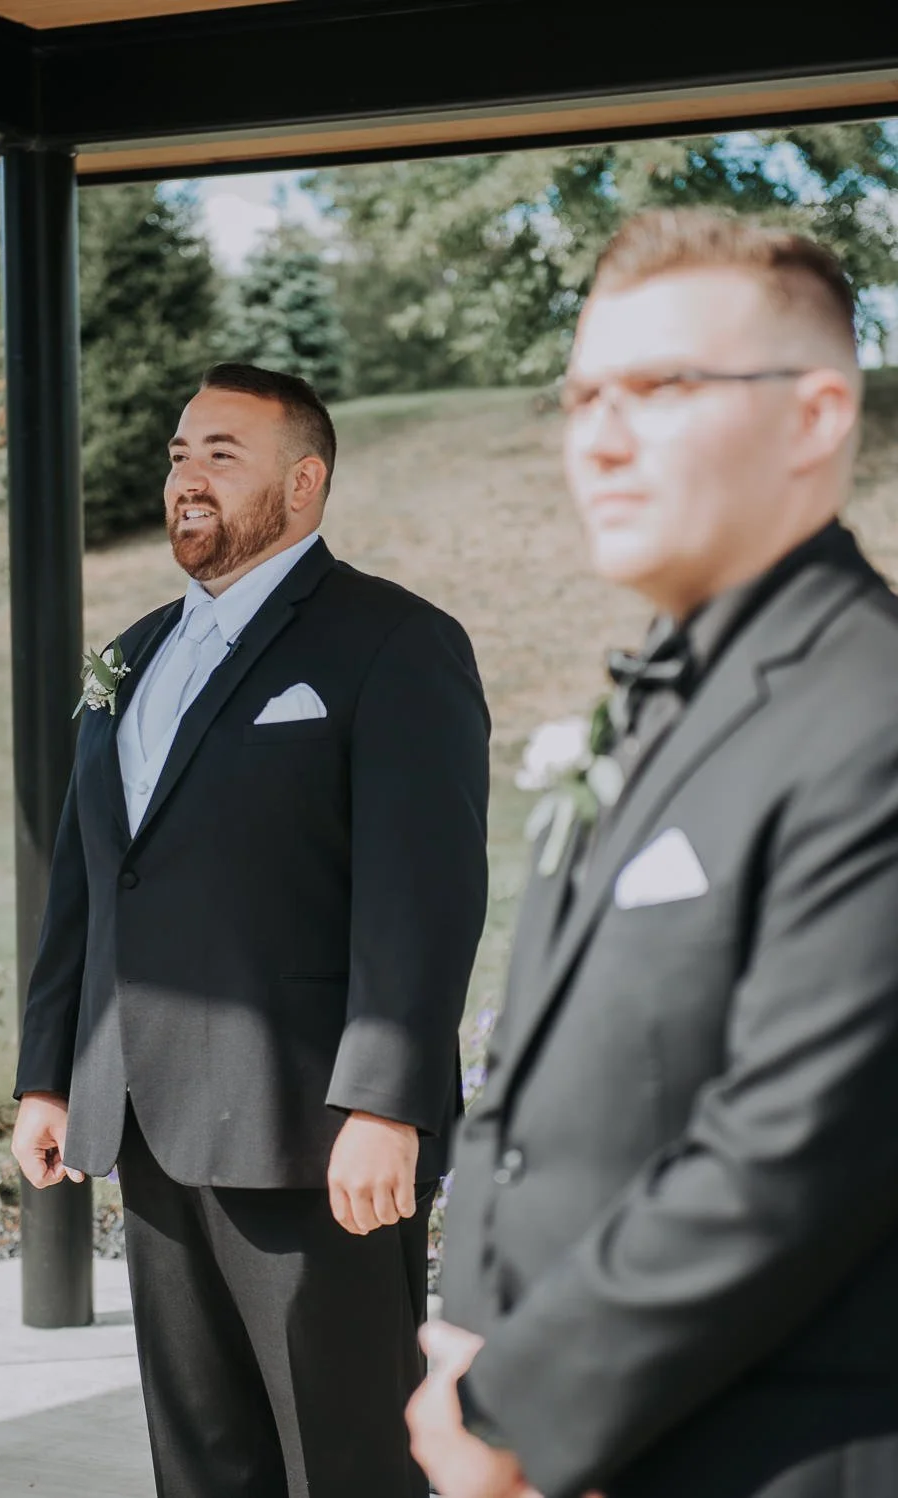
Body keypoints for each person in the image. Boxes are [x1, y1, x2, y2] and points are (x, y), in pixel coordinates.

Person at [407, 209, 898, 1498]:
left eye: (663, 387)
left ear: (815, 416)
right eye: (581, 397)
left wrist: (514, 1402)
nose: (600, 441)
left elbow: (797, 1149)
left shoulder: (873, 713)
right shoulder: (662, 702)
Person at [11, 362, 490, 1498]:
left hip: (315, 1142)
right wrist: (49, 1075)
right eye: (180, 454)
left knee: (349, 1462)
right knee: (204, 1463)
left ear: (305, 481)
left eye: (223, 455)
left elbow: (422, 894)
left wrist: (387, 1102)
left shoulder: (394, 643)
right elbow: (90, 884)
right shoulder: (127, 659)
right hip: (146, 1122)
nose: (187, 477)